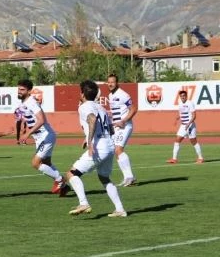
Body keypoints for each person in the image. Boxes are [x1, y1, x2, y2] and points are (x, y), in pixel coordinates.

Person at [66, 80, 128, 218]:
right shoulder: (101, 107)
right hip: (109, 145)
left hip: (99, 147)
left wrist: (90, 142)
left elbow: (92, 120)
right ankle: (120, 210)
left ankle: (83, 203)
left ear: (82, 93)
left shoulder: (84, 107)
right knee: (104, 177)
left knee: (71, 174)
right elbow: (110, 127)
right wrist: (91, 137)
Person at [16, 79, 65, 194]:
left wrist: (27, 134)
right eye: (18, 89)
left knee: (35, 163)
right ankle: (64, 187)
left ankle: (60, 180)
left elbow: (41, 120)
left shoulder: (31, 102)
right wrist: (24, 130)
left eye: (22, 90)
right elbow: (28, 119)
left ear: (29, 91)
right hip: (39, 137)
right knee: (47, 163)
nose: (19, 91)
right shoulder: (23, 103)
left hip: (46, 136)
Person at [107, 74, 137, 186]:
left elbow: (134, 109)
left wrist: (124, 121)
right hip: (117, 127)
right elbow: (117, 111)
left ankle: (130, 177)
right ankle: (127, 178)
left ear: (117, 83)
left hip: (125, 126)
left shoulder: (123, 95)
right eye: (109, 82)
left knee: (119, 149)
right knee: (116, 151)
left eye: (112, 82)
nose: (110, 84)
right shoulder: (110, 95)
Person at [168, 90, 204, 164]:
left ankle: (200, 158)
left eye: (184, 96)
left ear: (186, 96)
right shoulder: (180, 104)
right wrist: (177, 118)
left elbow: (194, 116)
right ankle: (174, 159)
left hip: (190, 125)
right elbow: (181, 113)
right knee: (177, 140)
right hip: (183, 125)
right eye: (181, 96)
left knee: (193, 141)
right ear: (180, 97)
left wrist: (189, 124)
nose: (182, 97)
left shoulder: (190, 103)